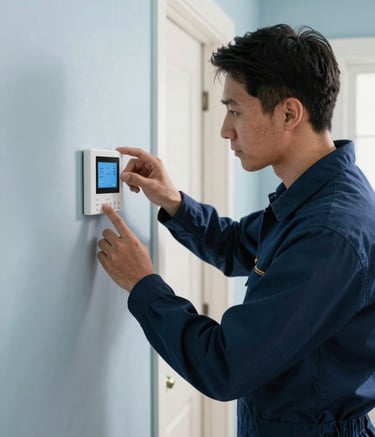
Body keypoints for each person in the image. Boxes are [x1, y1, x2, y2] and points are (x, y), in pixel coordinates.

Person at [97, 24, 375, 437]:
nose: (225, 130)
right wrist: (174, 202)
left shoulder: (330, 230)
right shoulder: (314, 194)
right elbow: (238, 246)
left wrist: (144, 284)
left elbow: (224, 366)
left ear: (288, 113)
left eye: (236, 111)